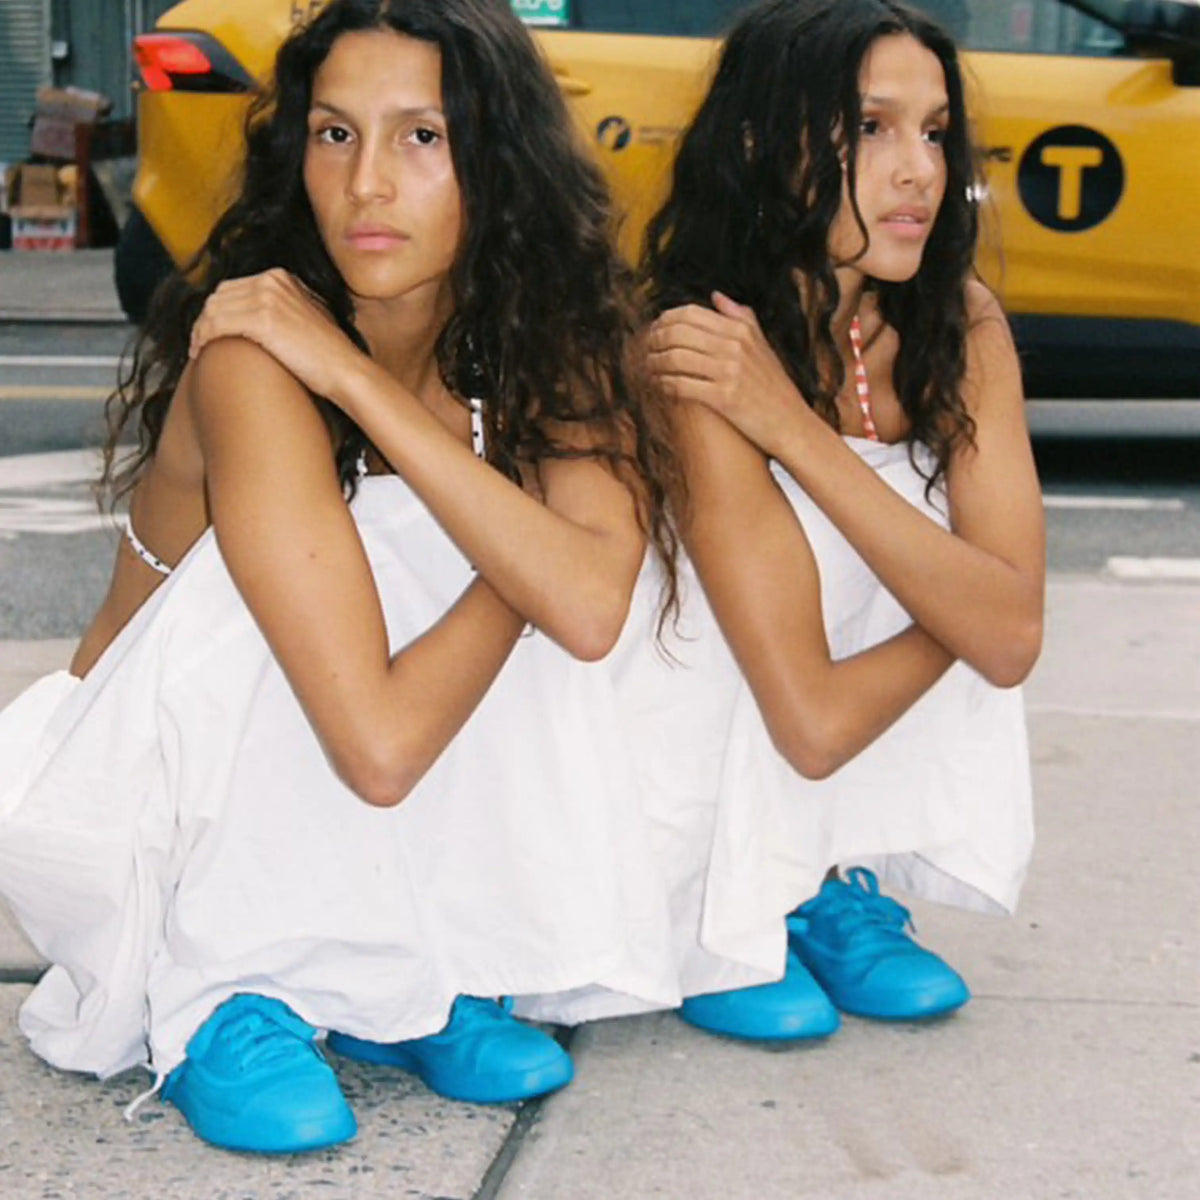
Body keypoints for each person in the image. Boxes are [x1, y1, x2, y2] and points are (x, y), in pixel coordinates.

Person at [0, 0, 685, 1154]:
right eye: (334, 134)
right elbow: (376, 742)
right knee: (456, 544)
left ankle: (403, 966)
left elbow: (594, 611)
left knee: (482, 540)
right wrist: (523, 546)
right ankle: (233, 987)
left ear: (496, 159)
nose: (370, 182)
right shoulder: (256, 353)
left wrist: (368, 391)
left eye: (422, 137)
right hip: (151, 808)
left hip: (349, 758)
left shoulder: (540, 340)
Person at [631, 0, 1043, 1039]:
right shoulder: (696, 342)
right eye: (871, 128)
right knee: (919, 561)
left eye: (935, 131)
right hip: (688, 741)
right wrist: (964, 605)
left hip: (828, 716)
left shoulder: (959, 320)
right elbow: (811, 722)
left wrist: (795, 430)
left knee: (911, 546)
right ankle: (712, 904)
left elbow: (1014, 636)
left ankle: (827, 875)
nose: (919, 170)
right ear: (766, 144)